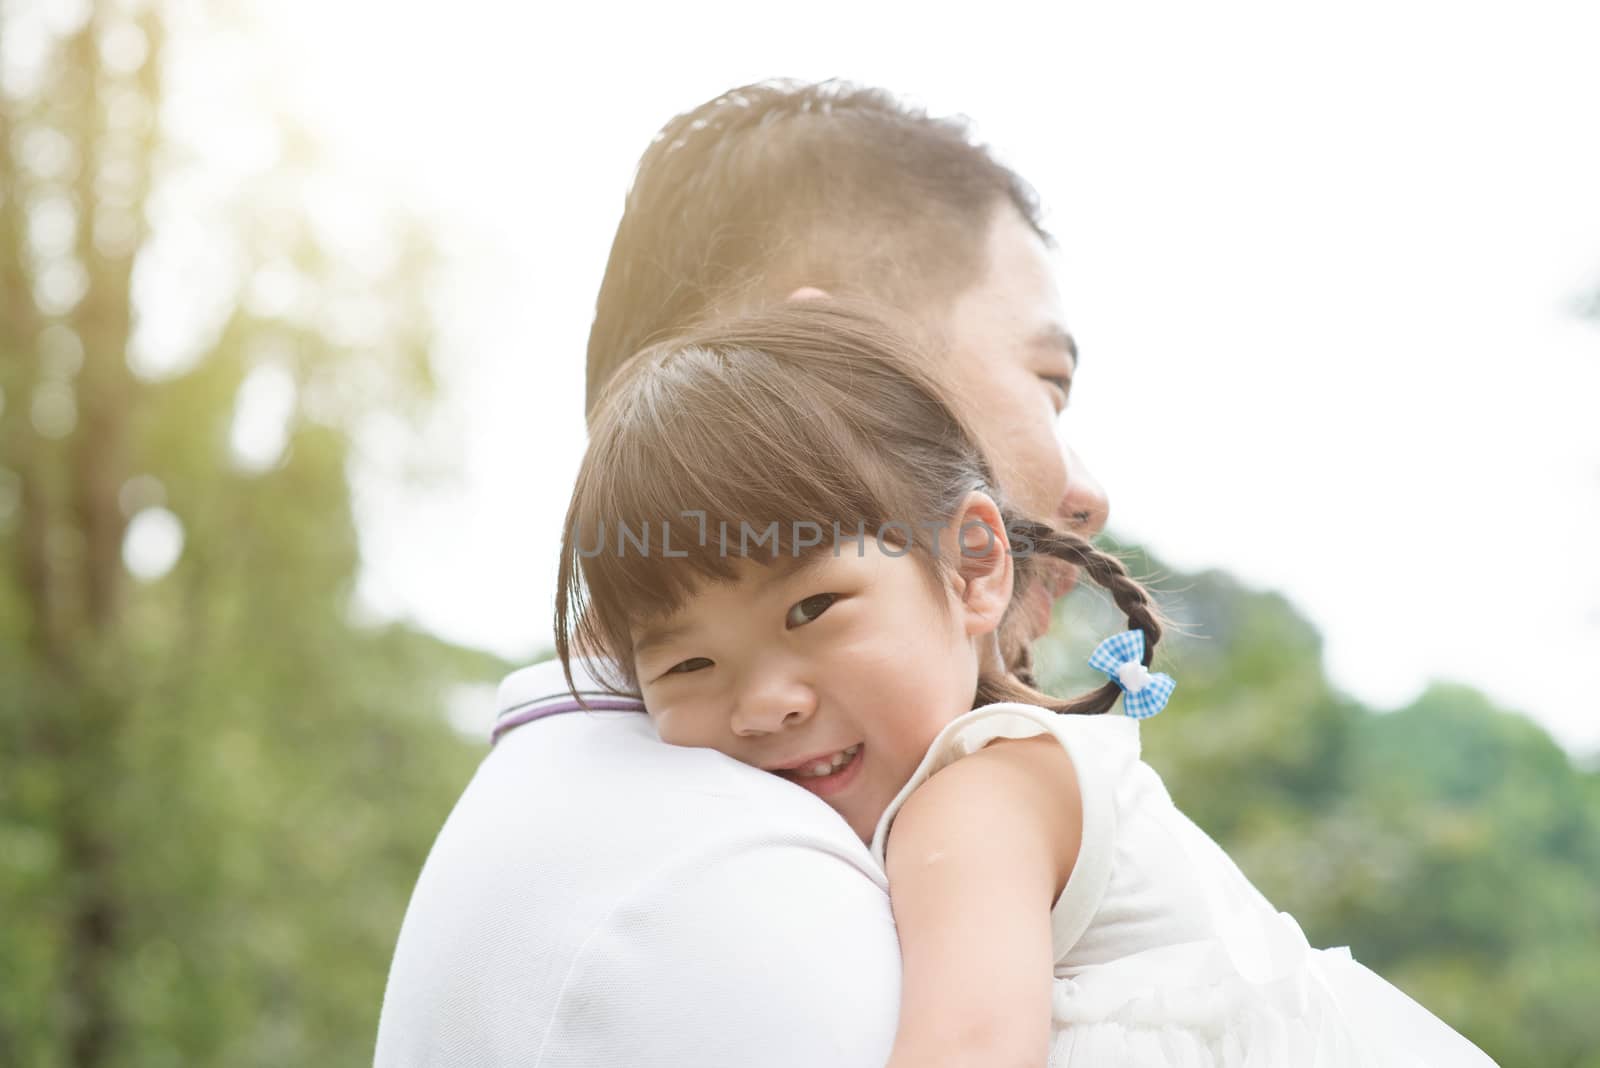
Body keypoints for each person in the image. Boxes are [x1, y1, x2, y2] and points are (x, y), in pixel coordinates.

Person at [553, 299, 1498, 1067]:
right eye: (687, 663)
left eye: (812, 610)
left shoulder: (977, 797)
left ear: (972, 568)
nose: (765, 703)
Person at [375, 80, 1103, 1066]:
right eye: (1046, 383)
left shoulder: (631, 811)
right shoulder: (731, 885)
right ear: (838, 361)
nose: (1087, 492)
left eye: (812, 609)